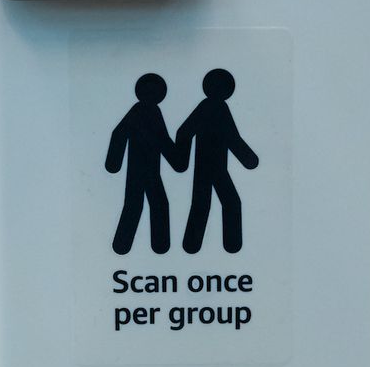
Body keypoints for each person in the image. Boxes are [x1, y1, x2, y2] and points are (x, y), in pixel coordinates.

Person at [174, 68, 259, 254]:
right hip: (210, 167)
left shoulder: (216, 107)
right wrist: (248, 158)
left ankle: (198, 245)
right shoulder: (211, 107)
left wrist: (248, 158)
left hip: (216, 167)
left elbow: (231, 137)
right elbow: (184, 132)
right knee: (221, 203)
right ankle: (198, 245)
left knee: (210, 203)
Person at [105, 73, 188, 255]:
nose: (152, 95)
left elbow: (162, 139)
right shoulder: (140, 110)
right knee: (139, 204)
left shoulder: (152, 111)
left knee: (151, 203)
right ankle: (127, 246)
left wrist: (176, 161)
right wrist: (113, 163)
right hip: (139, 169)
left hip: (149, 170)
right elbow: (120, 133)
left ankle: (154, 246)